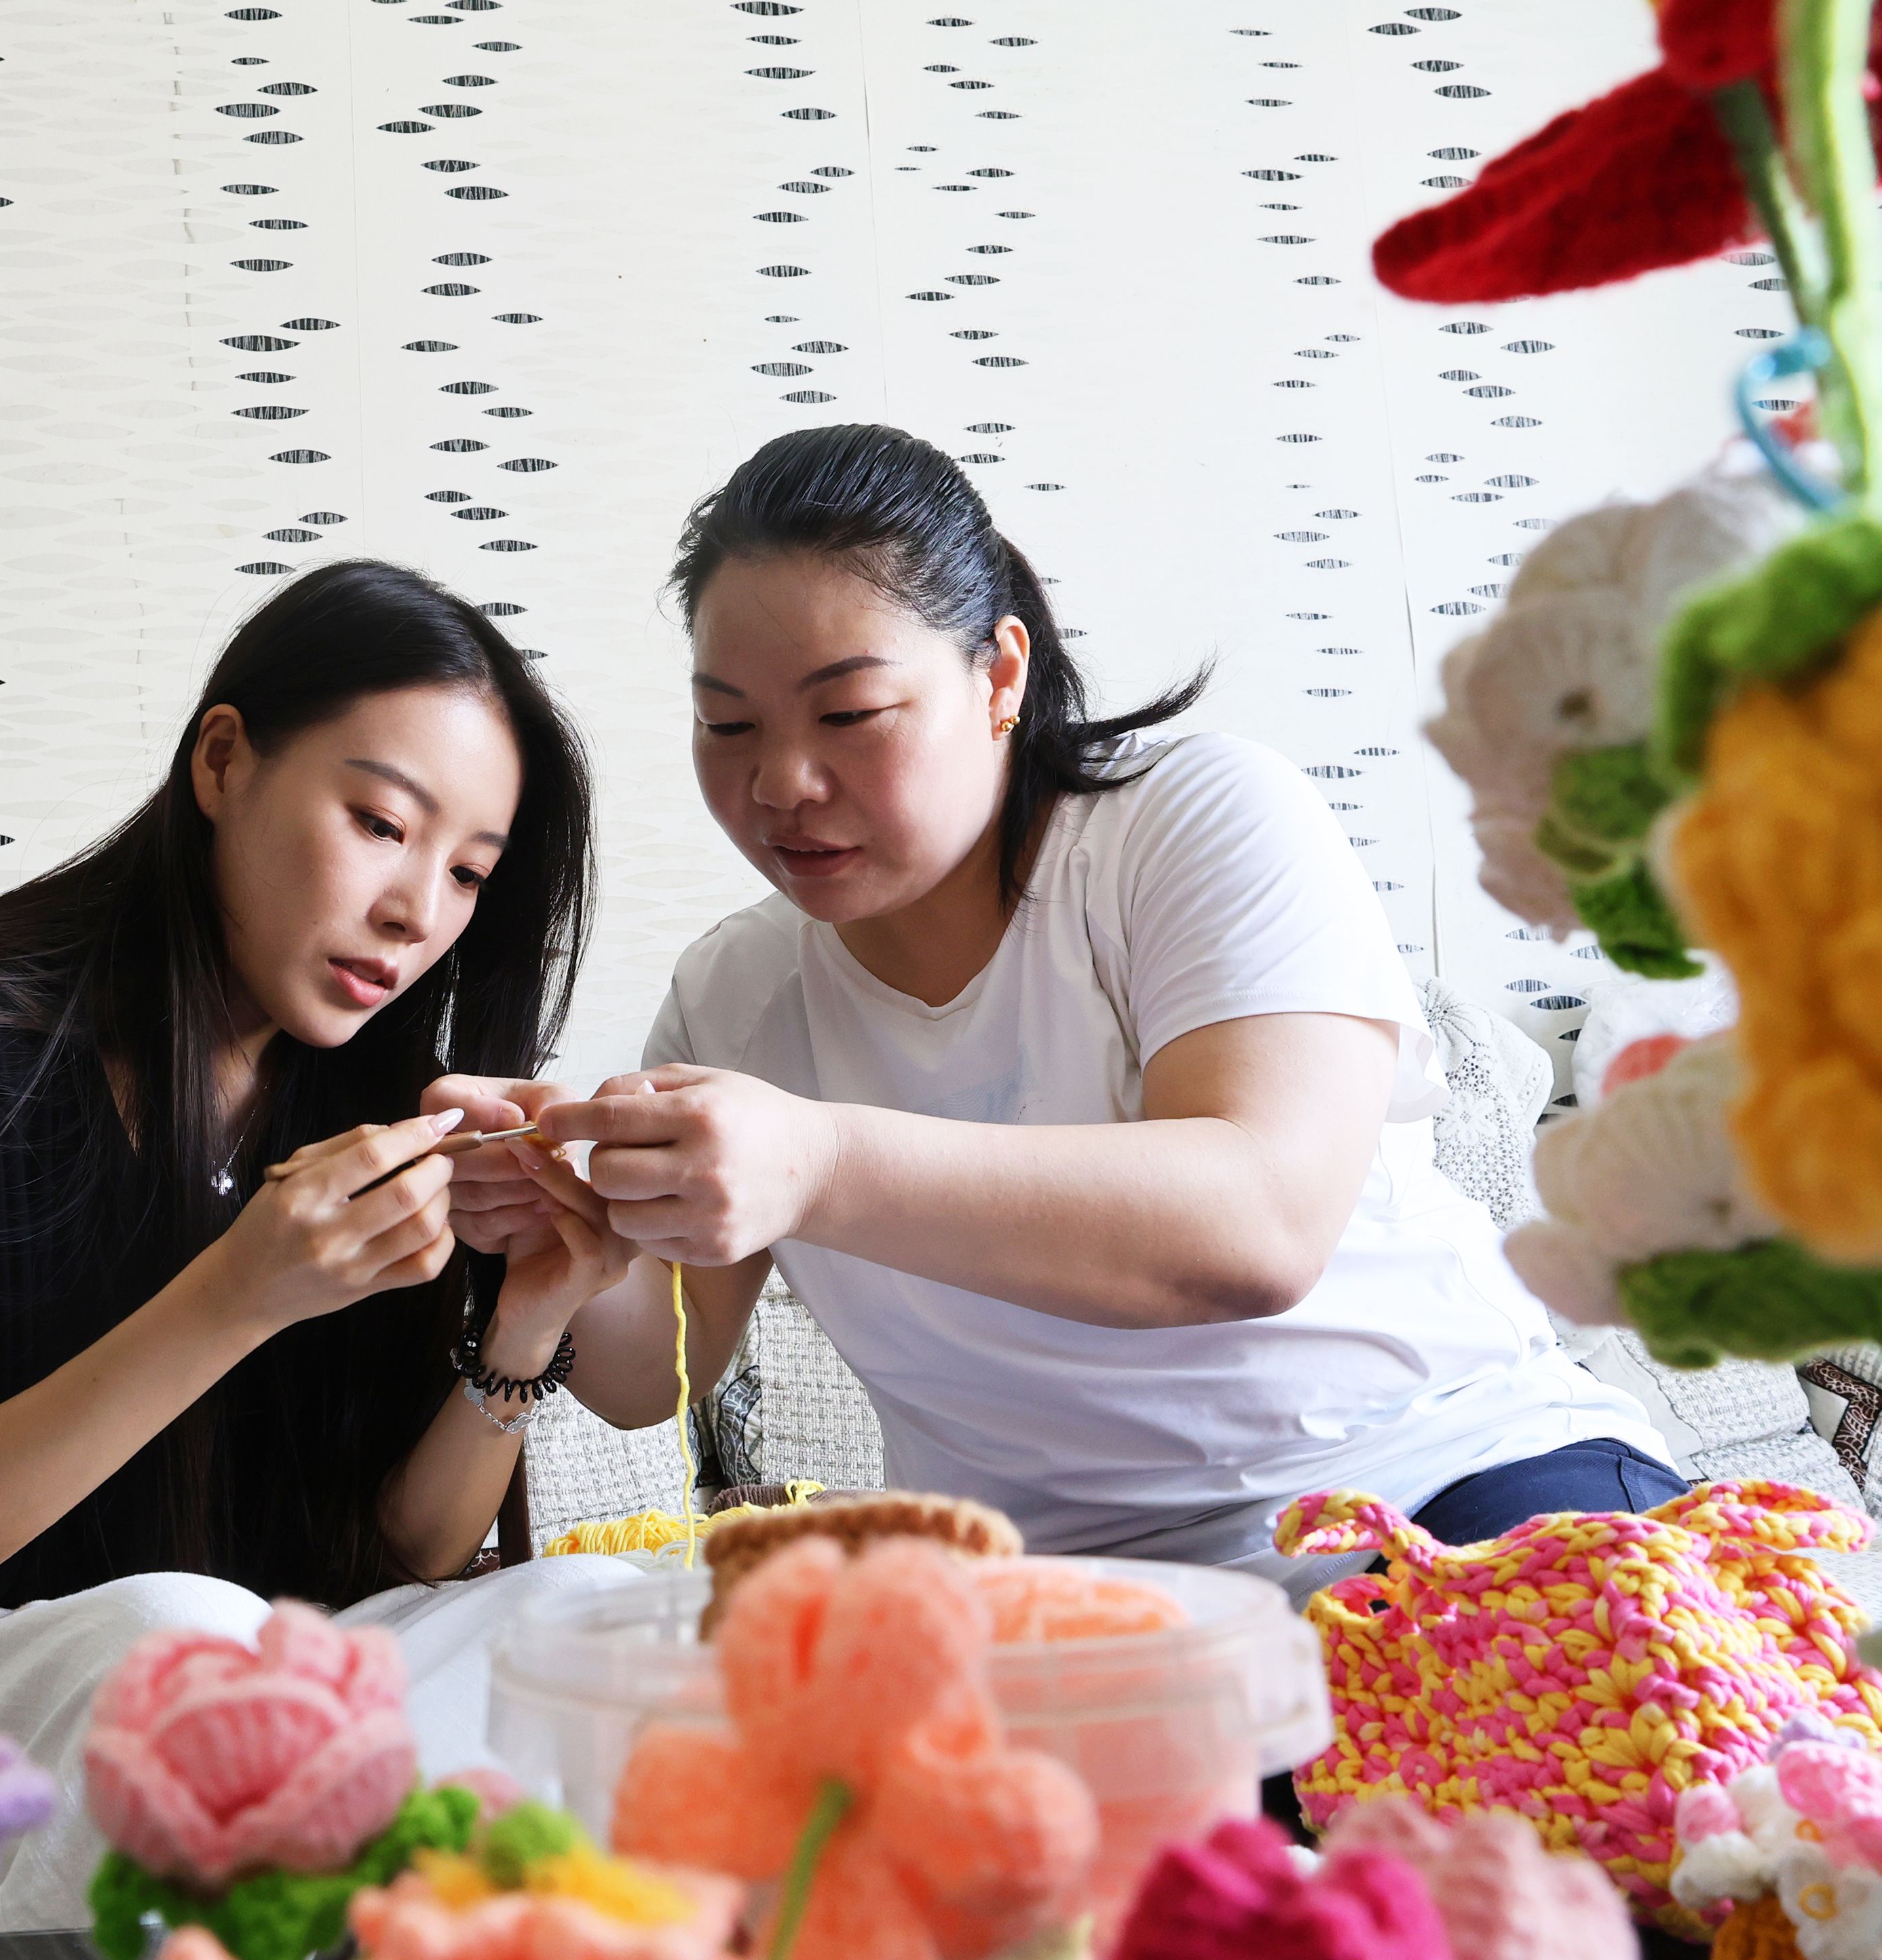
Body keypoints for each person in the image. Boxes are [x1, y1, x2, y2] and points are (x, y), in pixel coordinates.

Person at [431, 425, 1679, 1587]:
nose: (781, 782)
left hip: (1448, 1484)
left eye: (849, 714)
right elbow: (656, 1376)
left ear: (999, 674)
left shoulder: (1190, 823)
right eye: (727, 724)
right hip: (1065, 1591)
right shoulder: (734, 994)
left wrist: (817, 1160)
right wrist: (568, 1243)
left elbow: (1258, 1229)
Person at [0, 561, 642, 1960]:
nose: (414, 912)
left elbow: (397, 1558)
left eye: (466, 873)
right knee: (193, 1648)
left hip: (240, 1721)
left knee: (603, 1623)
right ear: (223, 761)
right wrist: (237, 1296)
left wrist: (527, 1317)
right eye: (379, 823)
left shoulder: (378, 1094)